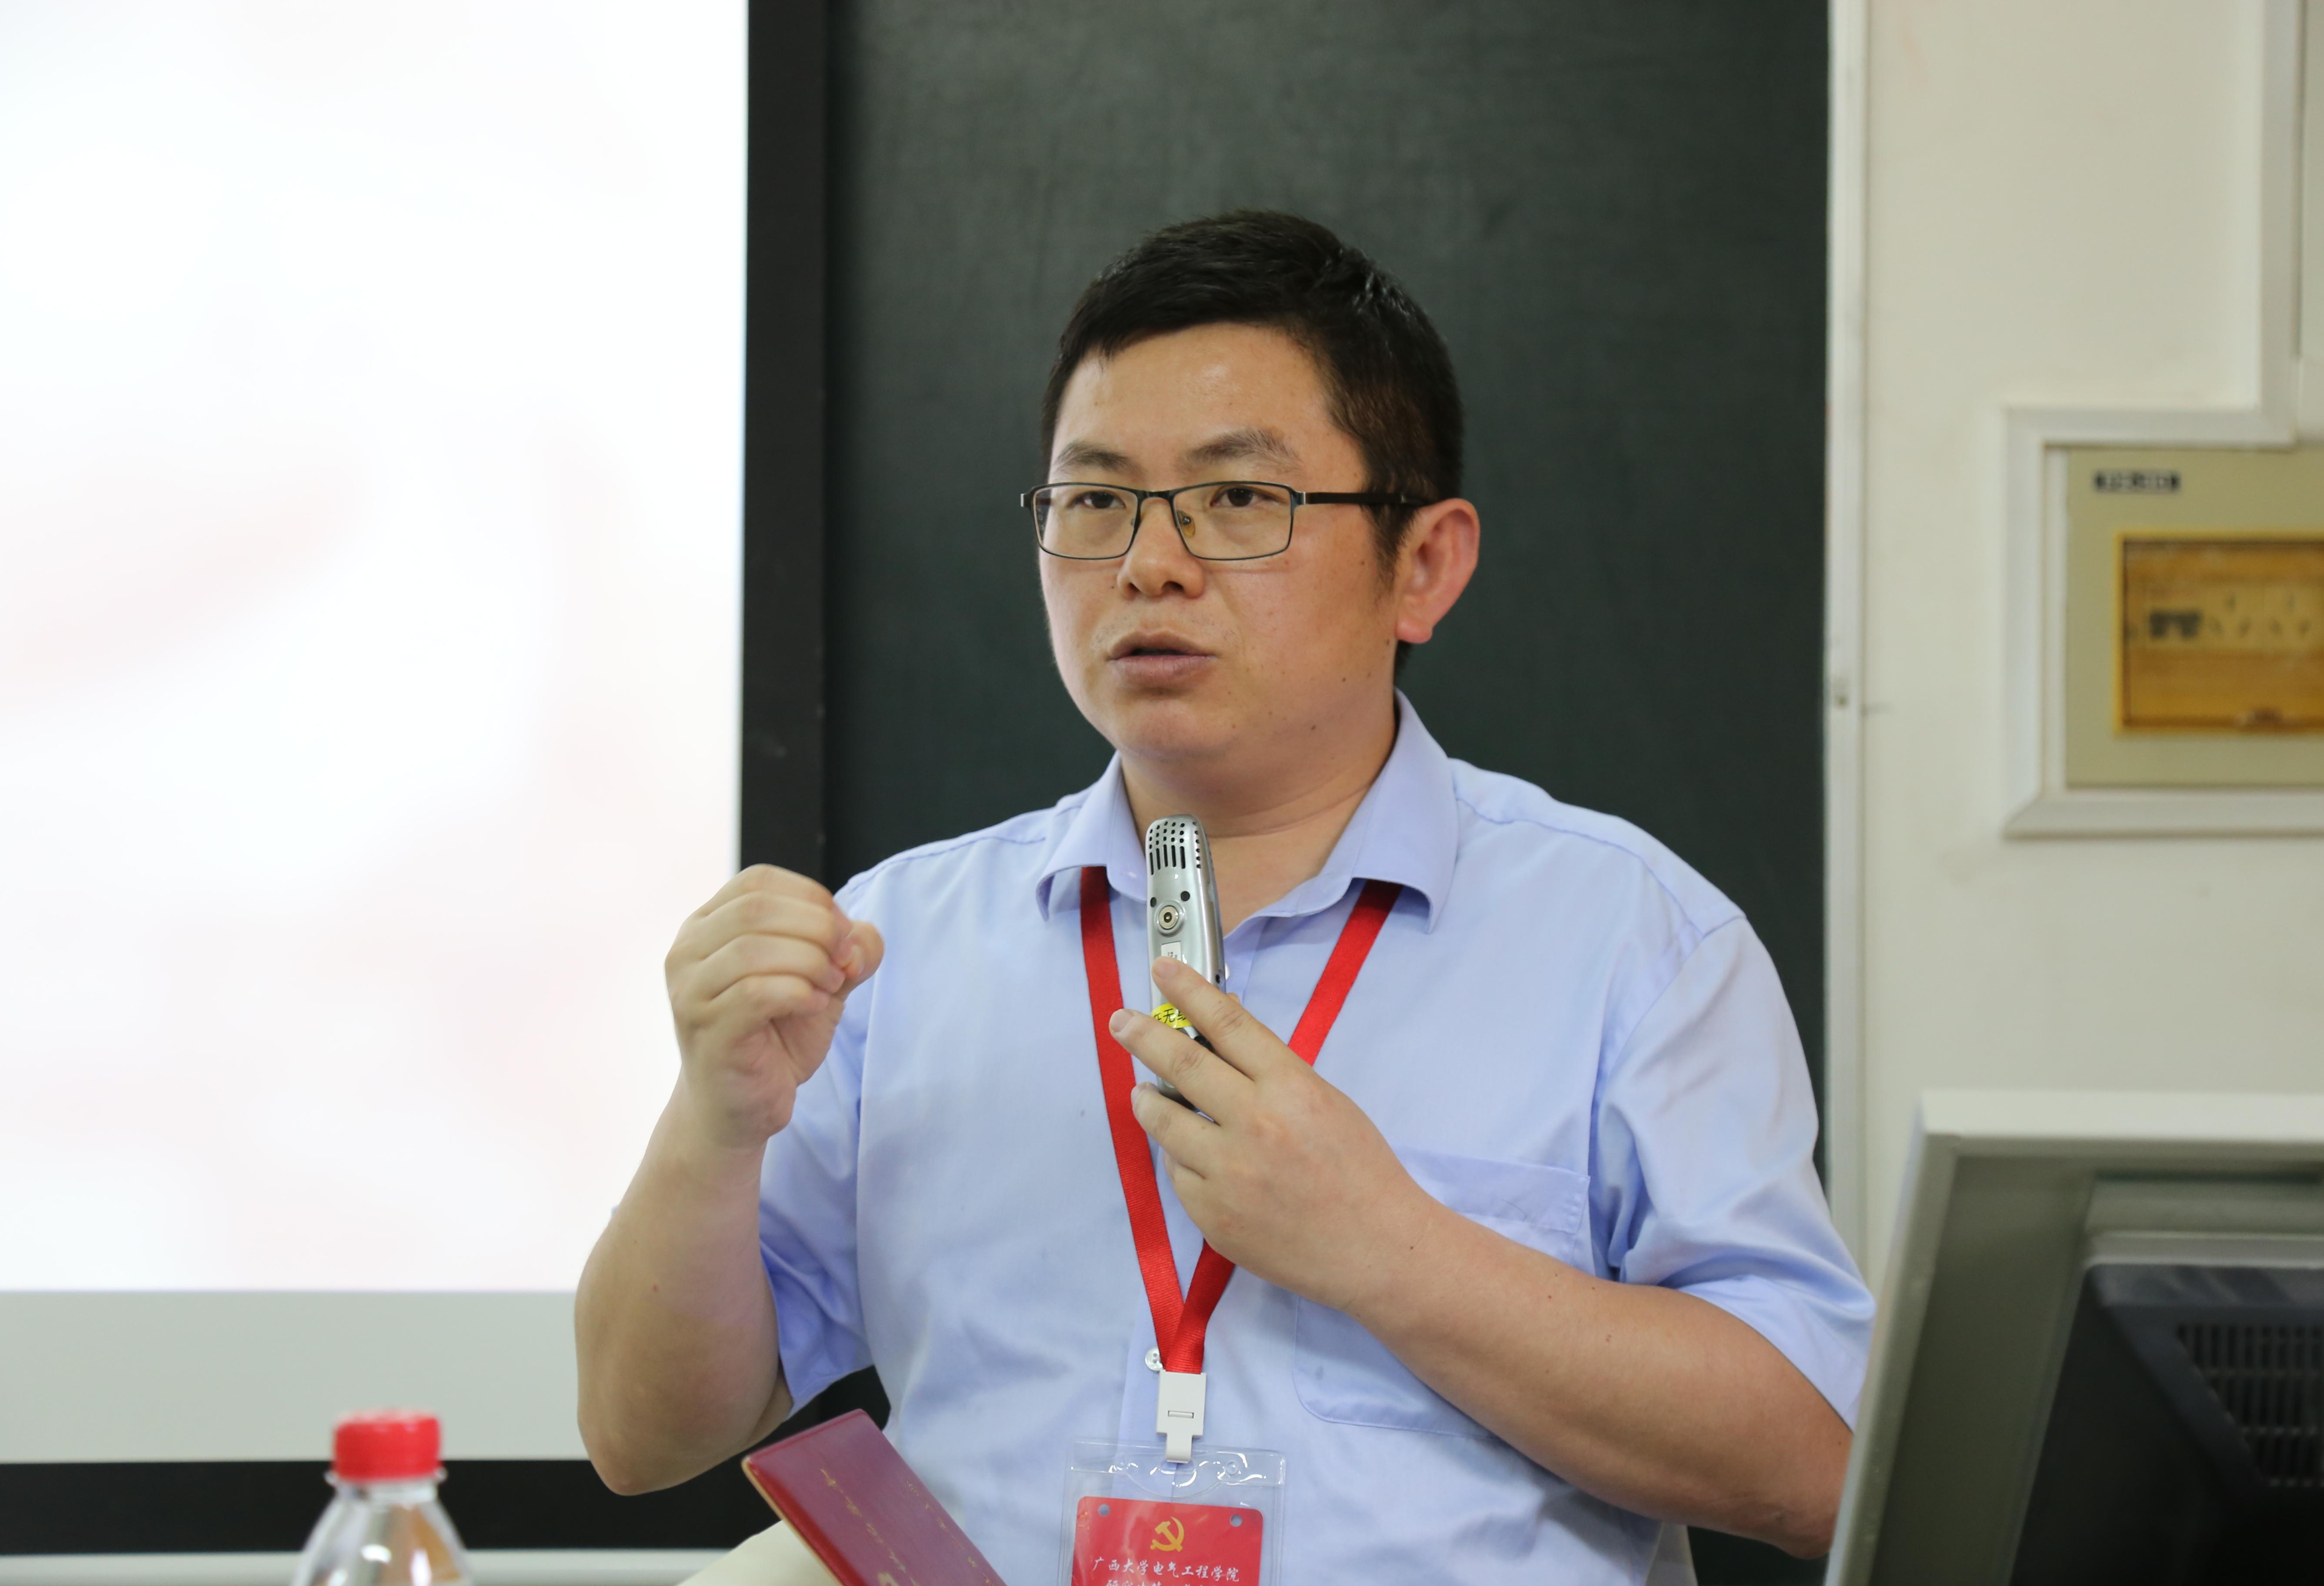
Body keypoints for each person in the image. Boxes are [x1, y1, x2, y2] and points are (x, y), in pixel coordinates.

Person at [576, 211, 1871, 1584]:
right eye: (1095, 501)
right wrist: (715, 1124)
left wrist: (1391, 1250)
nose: (1150, 563)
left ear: (1424, 565)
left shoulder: (1630, 939)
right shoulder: (897, 945)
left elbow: (1819, 1465)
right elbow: (642, 1436)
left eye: (1239, 498)